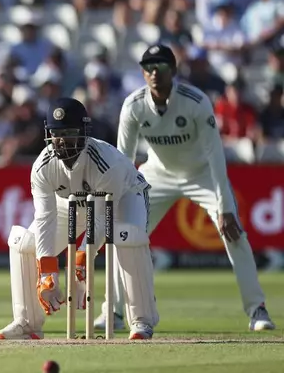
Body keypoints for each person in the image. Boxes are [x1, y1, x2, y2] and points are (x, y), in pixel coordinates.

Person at [108, 44, 276, 332]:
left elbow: (216, 155)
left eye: (160, 67)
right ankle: (113, 312)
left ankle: (257, 310)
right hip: (156, 174)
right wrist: (117, 207)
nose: (153, 73)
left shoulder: (195, 102)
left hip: (202, 175)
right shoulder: (133, 105)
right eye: (148, 68)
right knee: (124, 234)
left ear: (173, 71)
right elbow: (123, 160)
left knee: (234, 234)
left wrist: (224, 207)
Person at [0, 97, 159, 341]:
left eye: (69, 133)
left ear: (83, 133)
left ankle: (141, 321)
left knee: (128, 239)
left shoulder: (106, 164)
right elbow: (45, 219)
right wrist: (46, 273)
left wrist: (80, 261)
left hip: (125, 197)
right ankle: (27, 322)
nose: (62, 140)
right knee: (24, 242)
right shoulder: (43, 166)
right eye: (56, 133)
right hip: (68, 204)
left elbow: (102, 218)